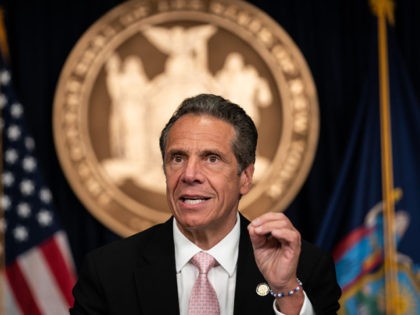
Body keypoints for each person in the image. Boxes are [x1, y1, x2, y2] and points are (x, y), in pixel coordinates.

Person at [70, 93, 341, 315]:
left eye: (211, 158)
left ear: (245, 178)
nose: (189, 175)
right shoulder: (108, 271)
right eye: (177, 158)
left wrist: (285, 291)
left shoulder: (305, 268)